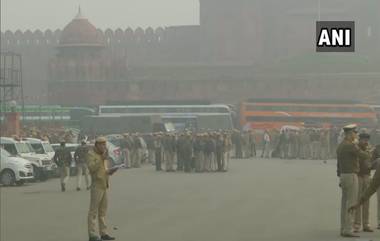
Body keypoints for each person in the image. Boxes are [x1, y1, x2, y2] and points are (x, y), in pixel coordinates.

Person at [337, 124, 370, 238]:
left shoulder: (341, 146)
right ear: (350, 134)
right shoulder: (351, 146)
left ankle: (343, 228)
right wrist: (369, 150)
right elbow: (364, 155)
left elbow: (338, 164)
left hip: (343, 175)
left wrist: (340, 176)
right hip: (351, 175)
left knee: (344, 203)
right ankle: (348, 229)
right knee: (351, 203)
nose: (355, 135)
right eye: (354, 133)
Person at [87, 136, 117, 241]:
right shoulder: (92, 154)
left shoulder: (103, 155)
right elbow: (92, 168)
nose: (104, 146)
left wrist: (110, 171)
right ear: (97, 145)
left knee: (103, 211)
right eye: (102, 144)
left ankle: (103, 233)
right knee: (93, 211)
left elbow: (104, 170)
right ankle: (92, 234)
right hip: (96, 185)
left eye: (105, 144)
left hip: (104, 184)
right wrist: (101, 159)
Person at [353, 133, 373, 232]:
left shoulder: (369, 148)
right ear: (360, 139)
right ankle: (357, 224)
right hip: (358, 175)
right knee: (358, 200)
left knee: (366, 200)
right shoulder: (356, 148)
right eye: (364, 139)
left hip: (367, 175)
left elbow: (371, 161)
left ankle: (366, 223)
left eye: (367, 140)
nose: (365, 141)